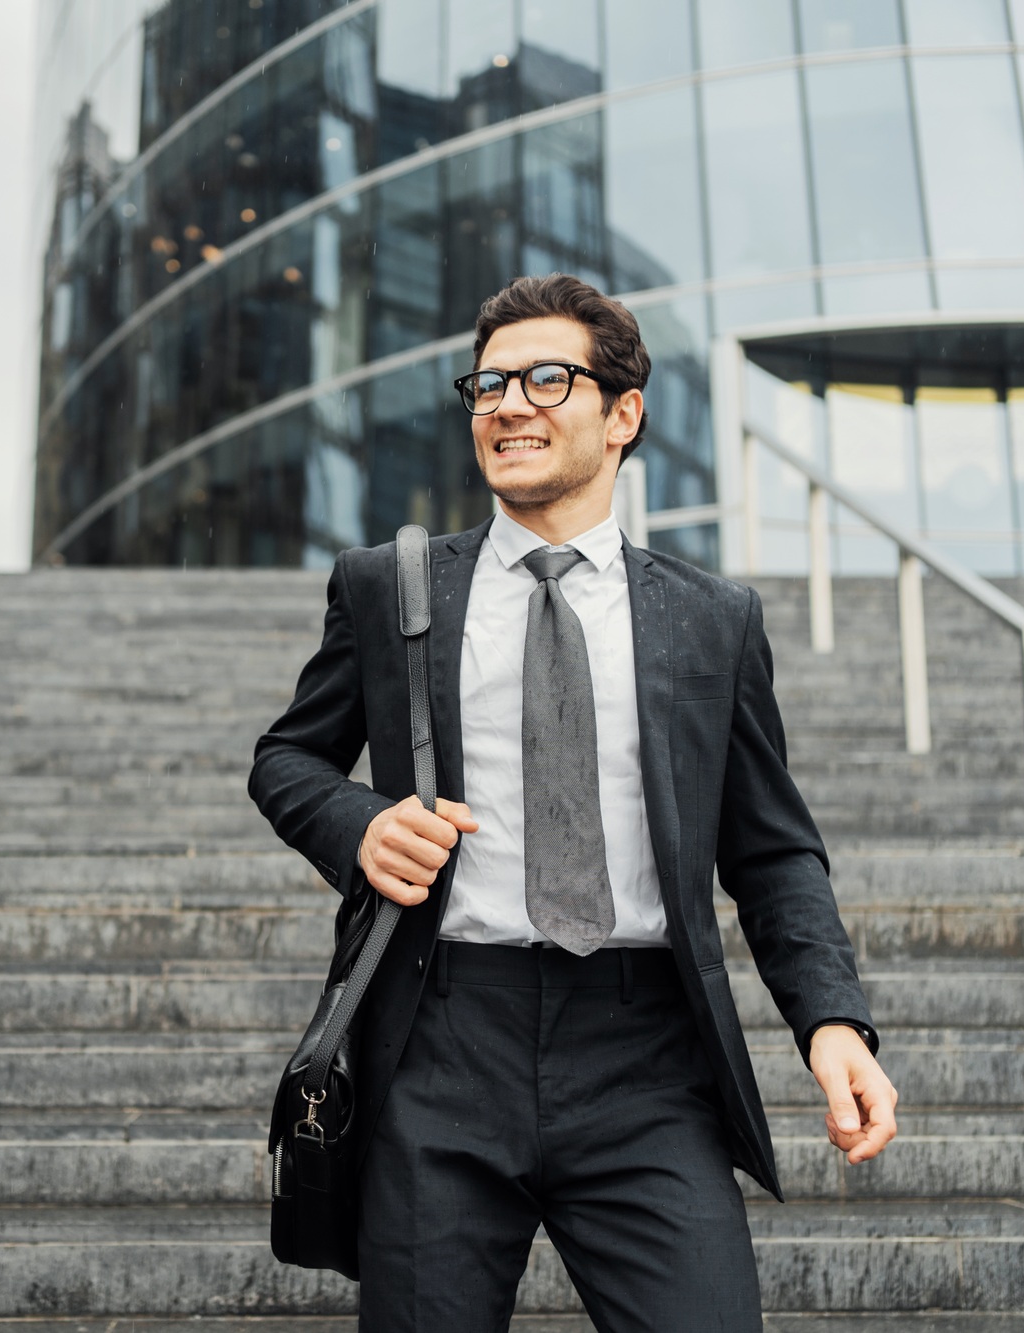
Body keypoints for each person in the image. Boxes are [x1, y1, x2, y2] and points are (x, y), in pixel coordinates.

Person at [249, 273, 896, 1332]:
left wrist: (830, 1021)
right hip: (443, 1042)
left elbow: (771, 851)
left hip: (644, 1058)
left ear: (623, 413)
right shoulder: (388, 587)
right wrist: (359, 823)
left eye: (547, 379)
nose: (509, 404)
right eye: (489, 384)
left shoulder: (710, 620)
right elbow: (286, 759)